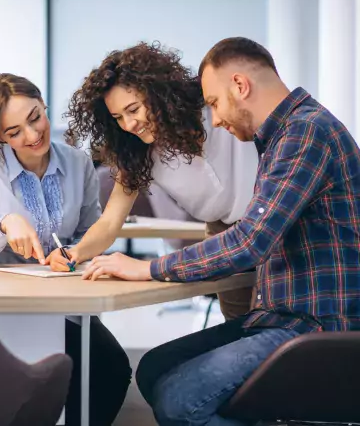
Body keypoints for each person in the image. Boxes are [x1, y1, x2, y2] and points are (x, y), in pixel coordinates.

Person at [80, 37, 360, 426]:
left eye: (213, 103)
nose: (213, 119)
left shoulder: (304, 134)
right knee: (154, 369)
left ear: (240, 86)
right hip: (277, 314)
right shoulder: (280, 136)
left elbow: (249, 240)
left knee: (181, 401)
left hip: (313, 325)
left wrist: (148, 267)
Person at [0, 73, 131, 426]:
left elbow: (90, 232)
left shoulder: (78, 162)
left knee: (110, 369)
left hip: (64, 303)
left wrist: (74, 252)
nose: (33, 135)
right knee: (58, 376)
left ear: (44, 105)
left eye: (36, 117)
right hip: (5, 313)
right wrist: (5, 224)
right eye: (14, 132)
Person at [48, 42, 259, 321]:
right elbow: (110, 222)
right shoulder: (137, 153)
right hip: (220, 233)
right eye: (118, 118)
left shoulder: (214, 108)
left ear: (158, 94)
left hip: (268, 219)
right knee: (240, 328)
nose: (129, 124)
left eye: (133, 109)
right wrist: (74, 252)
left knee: (277, 326)